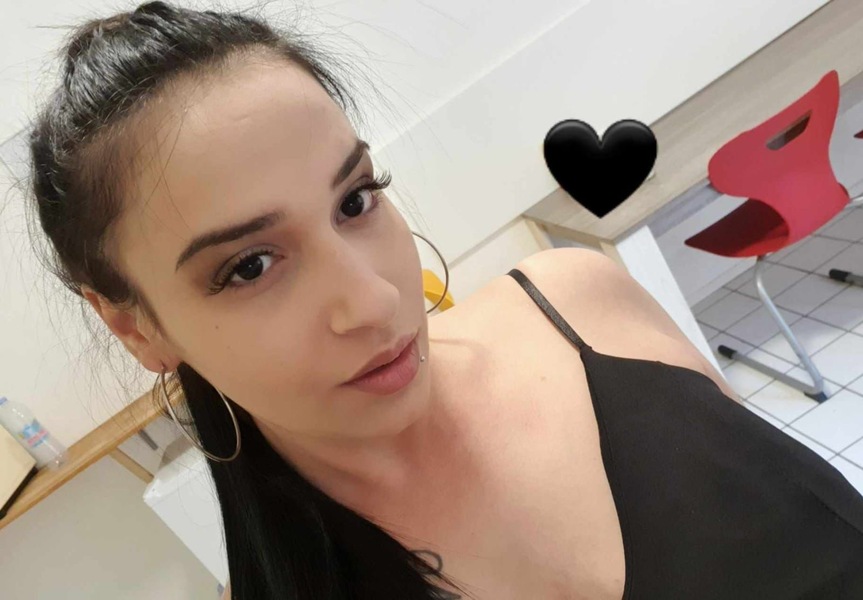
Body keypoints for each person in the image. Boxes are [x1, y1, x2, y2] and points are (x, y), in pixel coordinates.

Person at [25, 2, 863, 599]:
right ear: (134, 326)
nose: (372, 300)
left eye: (355, 199)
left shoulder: (581, 302)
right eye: (248, 267)